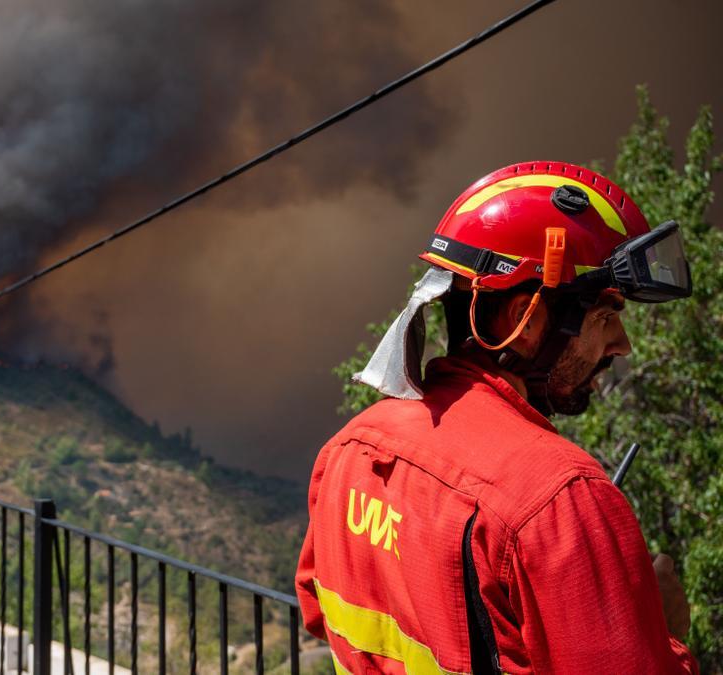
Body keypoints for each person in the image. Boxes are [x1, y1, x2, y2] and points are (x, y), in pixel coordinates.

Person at [296, 161, 698, 674]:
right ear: (524, 321)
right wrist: (662, 634)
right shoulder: (561, 500)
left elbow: (318, 611)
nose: (622, 345)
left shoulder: (349, 450)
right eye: (606, 317)